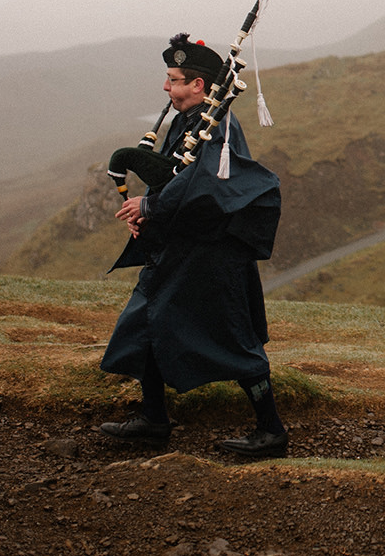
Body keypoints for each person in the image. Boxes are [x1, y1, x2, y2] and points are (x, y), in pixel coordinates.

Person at [98, 33, 289, 459]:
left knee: (234, 339)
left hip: (212, 256)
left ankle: (271, 430)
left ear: (199, 85)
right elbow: (172, 175)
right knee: (143, 324)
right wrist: (148, 213)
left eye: (174, 79)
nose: (167, 88)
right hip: (177, 251)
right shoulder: (190, 122)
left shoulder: (218, 125)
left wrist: (150, 203)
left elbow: (205, 188)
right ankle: (153, 420)